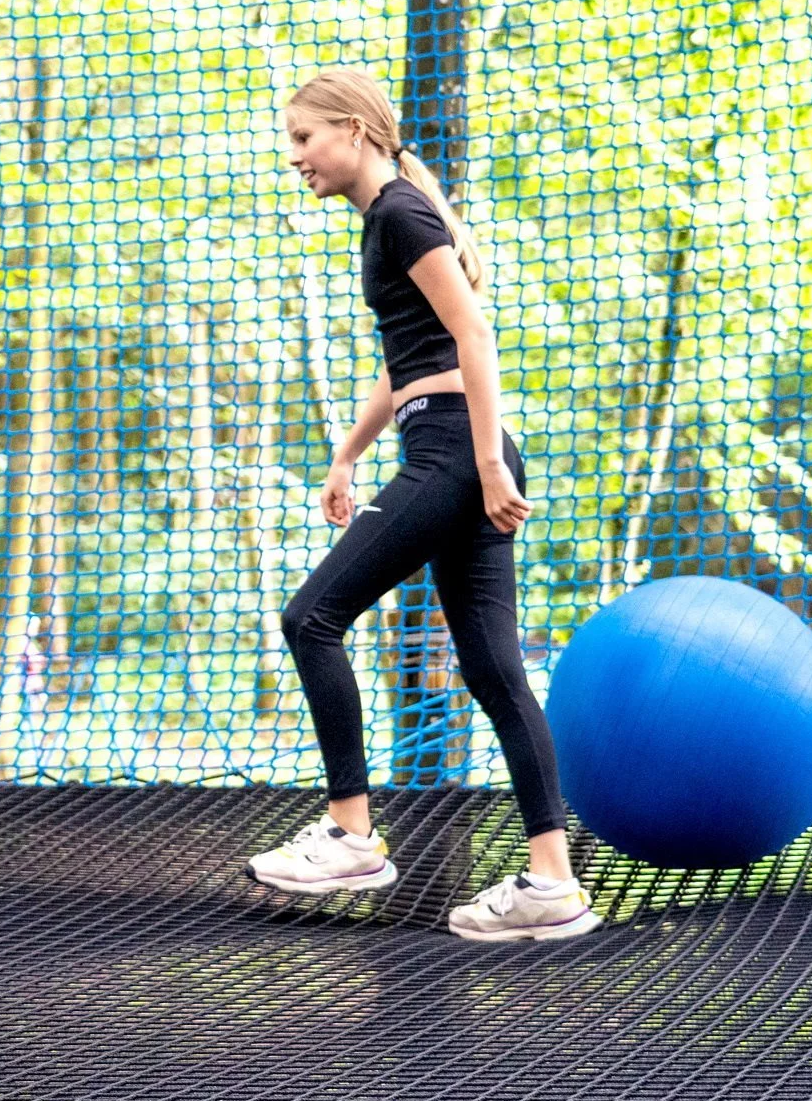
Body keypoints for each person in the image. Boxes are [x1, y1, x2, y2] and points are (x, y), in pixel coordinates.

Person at [246, 68, 601, 943]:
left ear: (356, 130)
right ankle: (552, 885)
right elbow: (410, 359)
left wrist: (484, 463)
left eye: (303, 137)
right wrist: (347, 455)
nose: (293, 157)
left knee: (311, 619)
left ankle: (353, 834)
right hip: (444, 440)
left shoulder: (400, 212)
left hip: (455, 453)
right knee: (492, 669)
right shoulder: (390, 217)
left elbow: (474, 332)